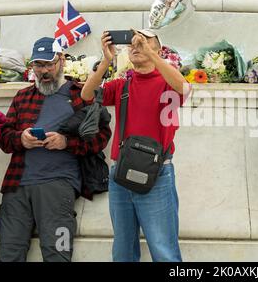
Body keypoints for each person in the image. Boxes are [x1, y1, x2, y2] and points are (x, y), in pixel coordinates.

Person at [0, 37, 112, 262]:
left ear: (61, 60)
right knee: (9, 255)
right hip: (17, 186)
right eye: (39, 65)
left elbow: (101, 136)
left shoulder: (80, 94)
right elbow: (4, 137)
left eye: (49, 63)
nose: (44, 70)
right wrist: (21, 139)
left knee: (57, 254)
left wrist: (66, 143)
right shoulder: (22, 97)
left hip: (58, 187)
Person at [81, 29, 189, 262]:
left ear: (158, 49)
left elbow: (184, 88)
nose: (136, 46)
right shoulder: (123, 84)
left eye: (144, 42)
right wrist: (107, 59)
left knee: (164, 250)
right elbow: (86, 95)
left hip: (157, 173)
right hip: (120, 172)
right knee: (123, 249)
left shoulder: (167, 82)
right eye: (133, 43)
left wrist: (151, 53)